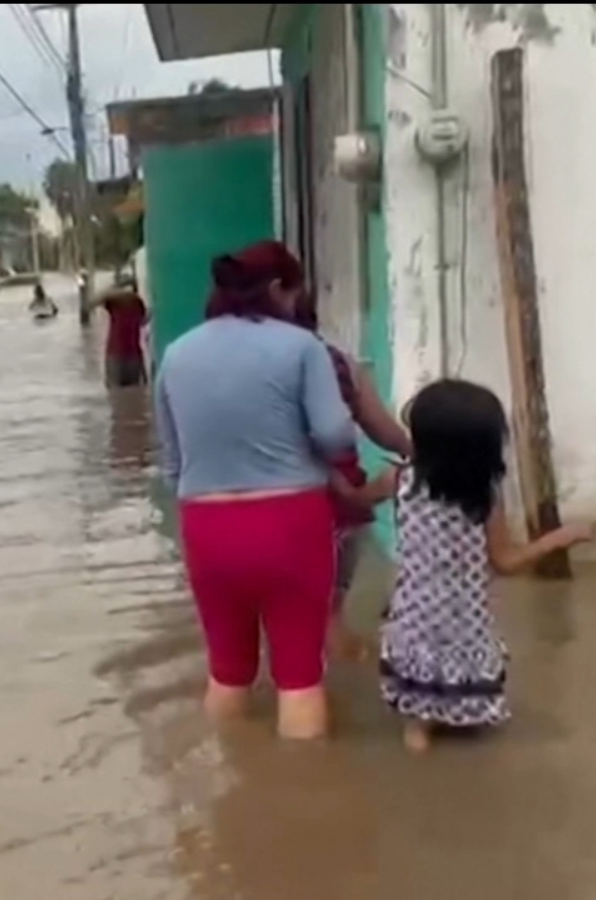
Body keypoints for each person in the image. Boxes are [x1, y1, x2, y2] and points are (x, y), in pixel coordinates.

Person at [154, 242, 358, 740]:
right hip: (290, 524)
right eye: (294, 294)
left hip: (206, 526)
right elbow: (336, 437)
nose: (296, 306)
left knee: (227, 672)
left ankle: (230, 782)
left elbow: (173, 464)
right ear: (275, 290)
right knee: (299, 679)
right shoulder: (301, 347)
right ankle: (300, 800)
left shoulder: (176, 354)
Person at [381, 379, 596, 753]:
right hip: (465, 615)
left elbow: (357, 499)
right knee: (466, 685)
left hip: (414, 611)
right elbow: (506, 562)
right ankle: (457, 718)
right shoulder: (484, 496)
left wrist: (334, 487)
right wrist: (560, 538)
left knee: (420, 675)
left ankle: (418, 728)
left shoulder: (398, 480)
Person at [289, 285, 412, 661]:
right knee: (328, 614)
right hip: (340, 513)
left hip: (273, 507)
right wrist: (425, 455)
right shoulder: (338, 363)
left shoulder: (248, 370)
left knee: (294, 619)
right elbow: (383, 430)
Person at [93, 280, 148, 388]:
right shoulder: (114, 303)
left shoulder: (137, 303)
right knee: (123, 392)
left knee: (126, 391)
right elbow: (92, 303)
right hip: (119, 356)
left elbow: (142, 321)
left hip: (130, 356)